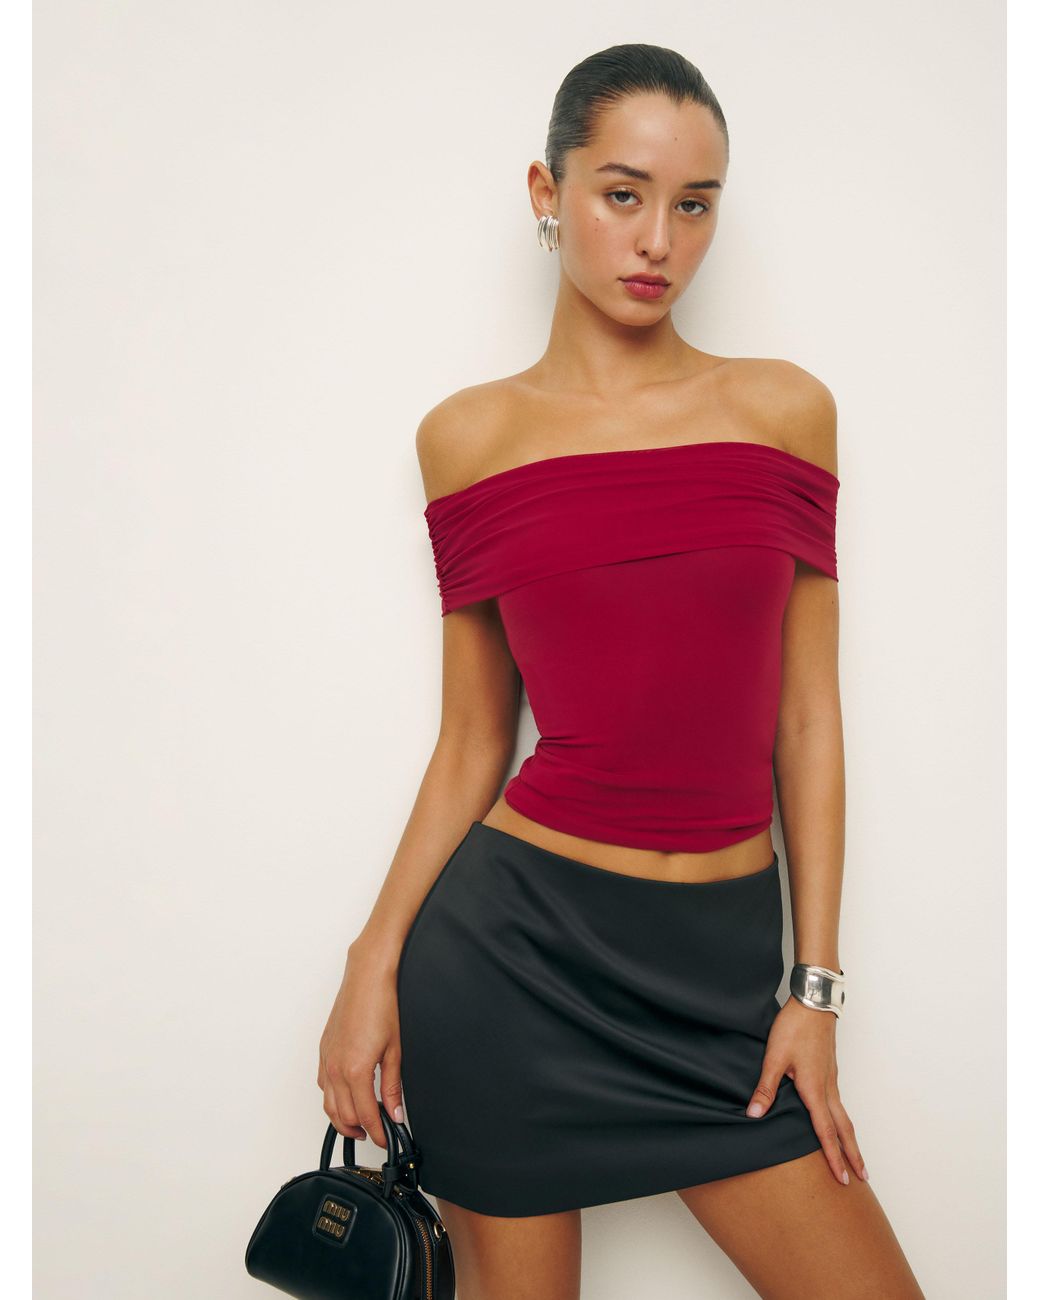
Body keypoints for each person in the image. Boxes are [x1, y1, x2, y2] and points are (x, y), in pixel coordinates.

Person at [319, 42, 925, 1300]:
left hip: (719, 982)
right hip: (511, 967)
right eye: (621, 194)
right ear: (547, 194)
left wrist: (813, 990)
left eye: (693, 204)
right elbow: (472, 738)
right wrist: (371, 959)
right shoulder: (470, 437)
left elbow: (806, 720)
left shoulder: (782, 412)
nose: (657, 240)